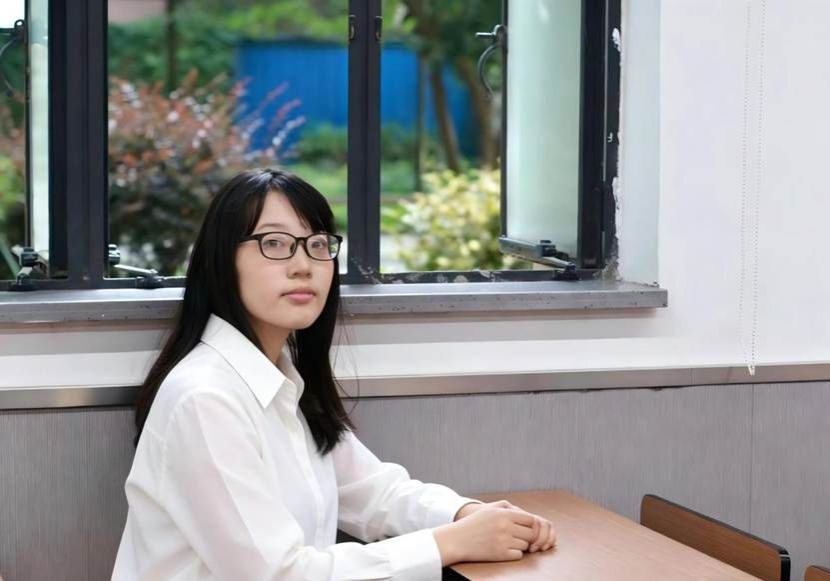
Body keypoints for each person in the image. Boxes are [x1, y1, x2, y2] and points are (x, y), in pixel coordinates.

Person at [112, 168, 556, 580]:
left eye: (318, 244)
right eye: (275, 243)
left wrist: (467, 515)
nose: (303, 264)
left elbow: (373, 492)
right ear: (222, 261)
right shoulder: (204, 398)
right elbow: (279, 574)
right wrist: (449, 543)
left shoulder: (283, 379)